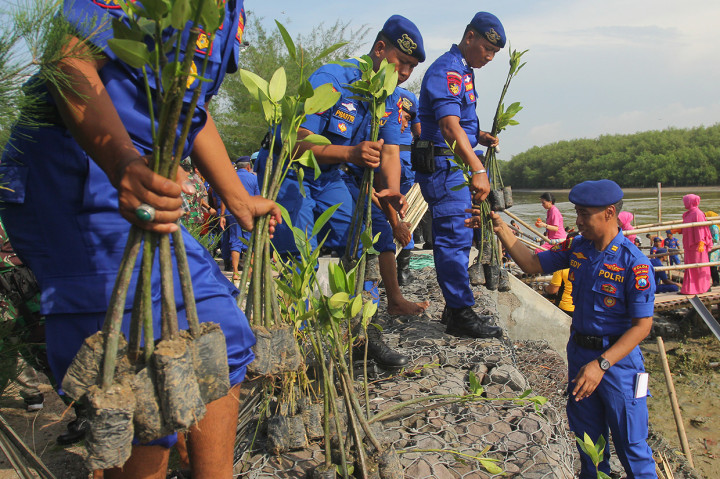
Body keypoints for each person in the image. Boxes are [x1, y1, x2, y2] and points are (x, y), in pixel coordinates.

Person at [0, 1, 282, 477]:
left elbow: (194, 109)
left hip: (145, 177)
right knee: (137, 373)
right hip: (77, 172)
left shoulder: (226, 8)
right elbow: (68, 59)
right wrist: (122, 165)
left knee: (225, 337)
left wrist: (236, 196)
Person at [256, 15, 429, 368]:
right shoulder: (334, 78)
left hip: (335, 173)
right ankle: (308, 347)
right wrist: (350, 152)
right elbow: (296, 141)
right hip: (293, 172)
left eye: (412, 67)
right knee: (302, 252)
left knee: (362, 235)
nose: (407, 73)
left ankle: (363, 332)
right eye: (403, 62)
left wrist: (392, 193)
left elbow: (391, 151)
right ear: (380, 49)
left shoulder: (391, 97)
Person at [486, 179, 657, 478]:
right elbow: (532, 264)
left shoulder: (635, 264)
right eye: (576, 212)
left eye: (584, 214)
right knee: (589, 445)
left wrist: (601, 364)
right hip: (580, 355)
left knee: (632, 448)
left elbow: (642, 326)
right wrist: (500, 229)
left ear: (609, 213)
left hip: (618, 364)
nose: (577, 221)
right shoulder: (577, 247)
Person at [414, 12, 506, 339]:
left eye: (495, 54)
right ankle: (461, 314)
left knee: (462, 234)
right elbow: (449, 126)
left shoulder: (464, 70)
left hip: (453, 162)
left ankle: (455, 308)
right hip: (445, 165)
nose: (490, 58)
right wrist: (478, 168)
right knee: (455, 235)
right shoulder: (448, 69)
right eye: (487, 49)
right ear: (470, 37)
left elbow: (460, 121)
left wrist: (478, 135)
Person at [395, 86, 420, 286]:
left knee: (380, 212)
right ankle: (403, 272)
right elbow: (419, 131)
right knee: (405, 212)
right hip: (406, 158)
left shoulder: (374, 91)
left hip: (381, 158)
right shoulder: (409, 97)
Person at [218, 157, 259, 280]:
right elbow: (257, 197)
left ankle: (235, 271)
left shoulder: (230, 178)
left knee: (235, 240)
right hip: (248, 212)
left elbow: (225, 197)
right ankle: (249, 271)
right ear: (248, 166)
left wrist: (222, 215)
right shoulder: (254, 178)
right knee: (249, 242)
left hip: (232, 213)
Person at [680, 194, 713, 295]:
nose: (684, 203)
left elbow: (700, 229)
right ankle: (690, 287)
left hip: (697, 245)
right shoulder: (689, 213)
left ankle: (703, 286)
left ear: (691, 202)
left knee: (698, 266)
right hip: (689, 245)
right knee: (690, 266)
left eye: (686, 201)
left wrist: (701, 242)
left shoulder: (697, 213)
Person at [706, 211, 720, 286]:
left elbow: (716, 239)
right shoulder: (709, 226)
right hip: (711, 248)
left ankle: (716, 281)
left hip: (714, 249)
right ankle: (715, 281)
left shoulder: (714, 227)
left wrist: (710, 246)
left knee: (713, 266)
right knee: (711, 266)